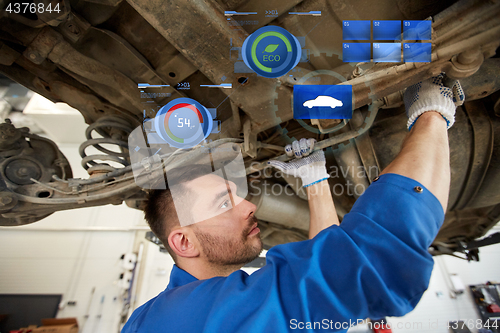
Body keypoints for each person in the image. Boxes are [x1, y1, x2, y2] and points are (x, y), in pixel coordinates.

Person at [122, 74, 463, 332]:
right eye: (222, 203)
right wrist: (432, 112)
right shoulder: (184, 318)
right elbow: (368, 264)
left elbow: (324, 286)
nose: (249, 206)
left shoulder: (165, 317)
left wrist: (316, 183)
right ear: (183, 241)